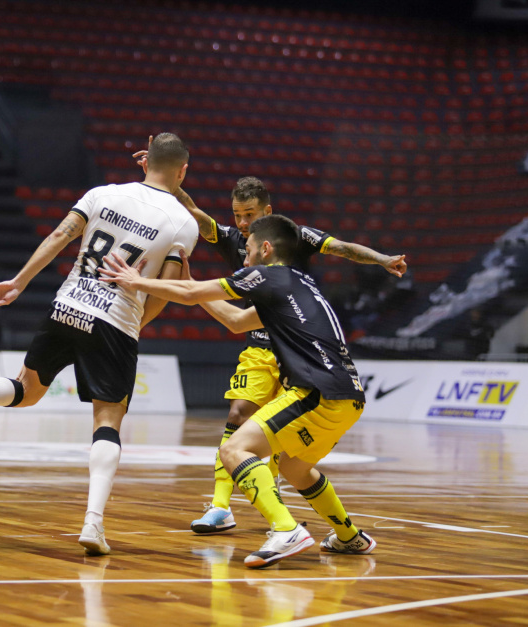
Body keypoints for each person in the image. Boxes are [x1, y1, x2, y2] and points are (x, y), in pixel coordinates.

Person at [0, 133, 199, 555]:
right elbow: (165, 288)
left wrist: (18, 282)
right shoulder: (183, 222)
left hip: (67, 303)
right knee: (108, 418)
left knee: (26, 390)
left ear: (146, 161)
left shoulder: (101, 193)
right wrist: (136, 321)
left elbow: (59, 237)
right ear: (182, 171)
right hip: (115, 321)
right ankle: (93, 524)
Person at [132, 147, 406, 535]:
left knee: (282, 444)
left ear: (267, 213)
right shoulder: (232, 239)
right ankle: (222, 506)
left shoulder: (292, 236)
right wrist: (160, 175)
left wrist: (381, 258)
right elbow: (195, 214)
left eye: (250, 216)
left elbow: (342, 248)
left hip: (300, 342)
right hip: (262, 338)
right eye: (237, 216)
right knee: (239, 415)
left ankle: (292, 518)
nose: (242, 225)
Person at [99, 214, 375, 568]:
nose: (243, 260)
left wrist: (137, 281)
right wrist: (192, 284)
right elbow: (235, 321)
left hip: (315, 389)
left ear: (266, 248)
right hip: (348, 396)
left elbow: (191, 295)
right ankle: (351, 538)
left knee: (234, 450)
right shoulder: (299, 285)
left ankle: (285, 529)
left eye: (247, 250)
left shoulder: (268, 276)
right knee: (295, 467)